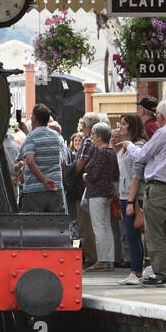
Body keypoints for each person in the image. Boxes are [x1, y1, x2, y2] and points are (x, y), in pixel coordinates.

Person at [125, 99, 166, 287]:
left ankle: (163, 274)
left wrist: (129, 145)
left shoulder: (163, 132)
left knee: (155, 234)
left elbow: (142, 155)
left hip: (159, 187)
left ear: (161, 116)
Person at [114, 114, 147, 285]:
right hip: (125, 194)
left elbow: (137, 175)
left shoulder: (138, 147)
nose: (120, 127)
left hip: (133, 195)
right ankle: (136, 269)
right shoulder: (126, 148)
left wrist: (131, 201)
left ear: (132, 127)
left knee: (134, 234)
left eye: (124, 124)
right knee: (130, 233)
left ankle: (136, 271)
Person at [82, 121, 119, 272]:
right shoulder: (112, 152)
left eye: (92, 134)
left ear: (98, 136)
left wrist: (85, 176)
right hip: (108, 192)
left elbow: (93, 175)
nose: (91, 137)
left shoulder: (101, 153)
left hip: (97, 193)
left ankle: (102, 260)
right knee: (106, 226)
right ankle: (109, 259)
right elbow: (116, 174)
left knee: (98, 227)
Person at [19, 103, 65, 213]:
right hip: (55, 188)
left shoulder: (31, 137)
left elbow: (30, 161)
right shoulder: (56, 135)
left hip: (34, 191)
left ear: (34, 118)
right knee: (55, 226)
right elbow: (63, 161)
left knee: (34, 226)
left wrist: (44, 180)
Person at [70, 113, 103, 265]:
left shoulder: (88, 141)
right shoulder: (95, 141)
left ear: (85, 126)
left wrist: (68, 173)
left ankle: (91, 257)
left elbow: (79, 165)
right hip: (92, 188)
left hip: (84, 188)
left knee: (85, 225)